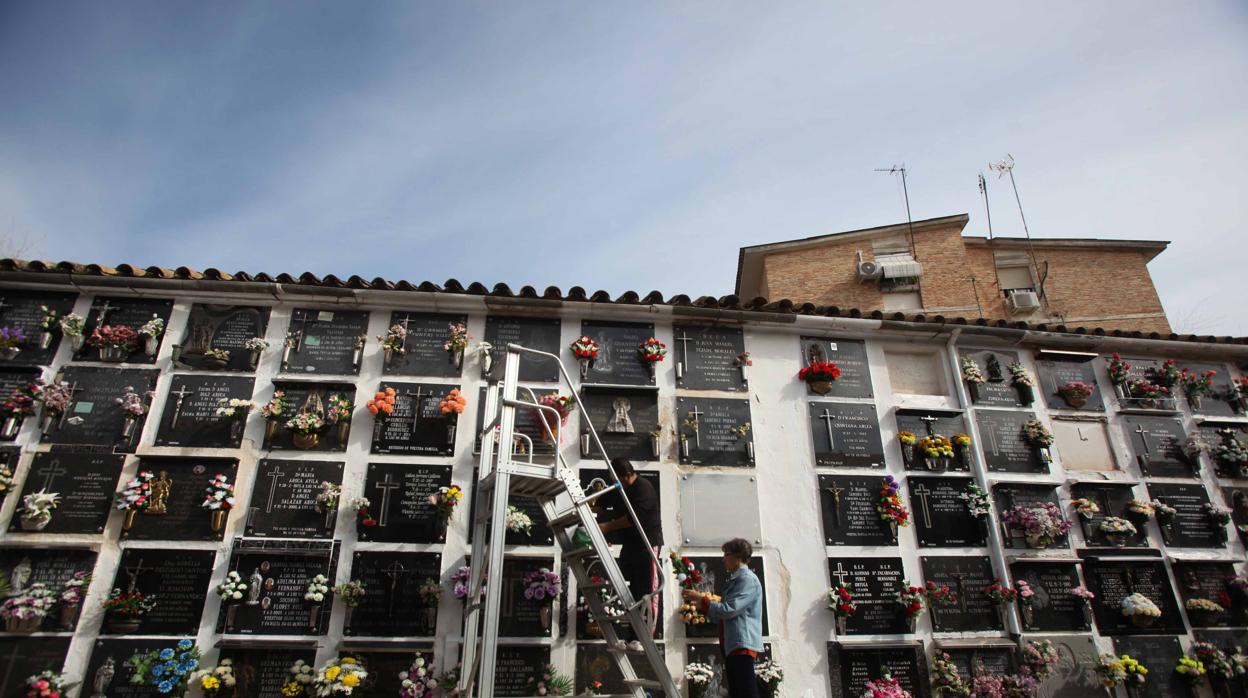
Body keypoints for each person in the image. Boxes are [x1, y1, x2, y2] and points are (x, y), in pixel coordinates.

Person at [682, 538, 763, 698]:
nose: (723, 559)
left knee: (747, 693)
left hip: (742, 646)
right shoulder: (736, 580)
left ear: (738, 557)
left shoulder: (747, 580)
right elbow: (725, 617)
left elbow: (729, 610)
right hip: (733, 646)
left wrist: (702, 599)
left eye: (726, 554)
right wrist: (702, 606)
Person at [598, 457, 663, 649]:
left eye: (617, 478)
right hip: (630, 546)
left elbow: (633, 519)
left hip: (647, 545)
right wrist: (594, 512)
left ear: (627, 475)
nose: (615, 482)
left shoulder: (644, 488)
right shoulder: (620, 487)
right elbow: (603, 502)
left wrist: (607, 526)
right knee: (630, 592)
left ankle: (644, 637)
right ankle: (632, 636)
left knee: (645, 591)